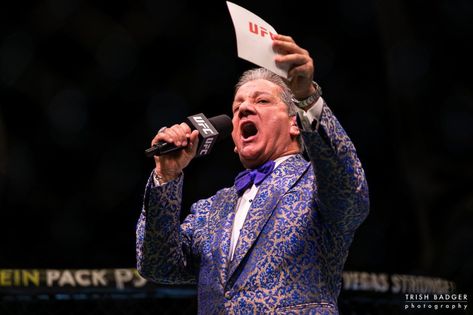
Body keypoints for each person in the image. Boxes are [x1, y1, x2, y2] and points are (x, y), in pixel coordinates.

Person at [136, 34, 369, 314]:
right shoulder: (212, 209)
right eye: (237, 107)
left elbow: (348, 187)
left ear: (295, 124)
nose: (245, 108)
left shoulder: (315, 185)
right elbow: (159, 264)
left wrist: (307, 98)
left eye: (262, 101)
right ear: (234, 139)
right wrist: (167, 176)